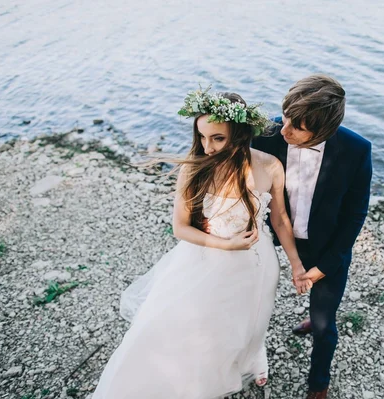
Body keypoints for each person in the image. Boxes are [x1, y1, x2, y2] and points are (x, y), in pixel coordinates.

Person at [92, 89, 311, 398]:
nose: (207, 147)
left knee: (249, 321)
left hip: (258, 262)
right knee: (192, 325)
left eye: (217, 138)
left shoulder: (270, 166)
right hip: (207, 257)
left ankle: (249, 360)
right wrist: (226, 245)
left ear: (238, 133)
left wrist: (297, 265)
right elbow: (180, 228)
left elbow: (280, 221)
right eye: (203, 137)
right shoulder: (194, 167)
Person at [253, 74, 372, 399]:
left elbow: (354, 215)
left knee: (323, 324)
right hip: (272, 233)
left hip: (326, 245)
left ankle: (319, 383)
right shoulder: (267, 132)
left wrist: (326, 265)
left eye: (296, 127)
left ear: (324, 131)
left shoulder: (357, 151)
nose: (284, 130)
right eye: (286, 117)